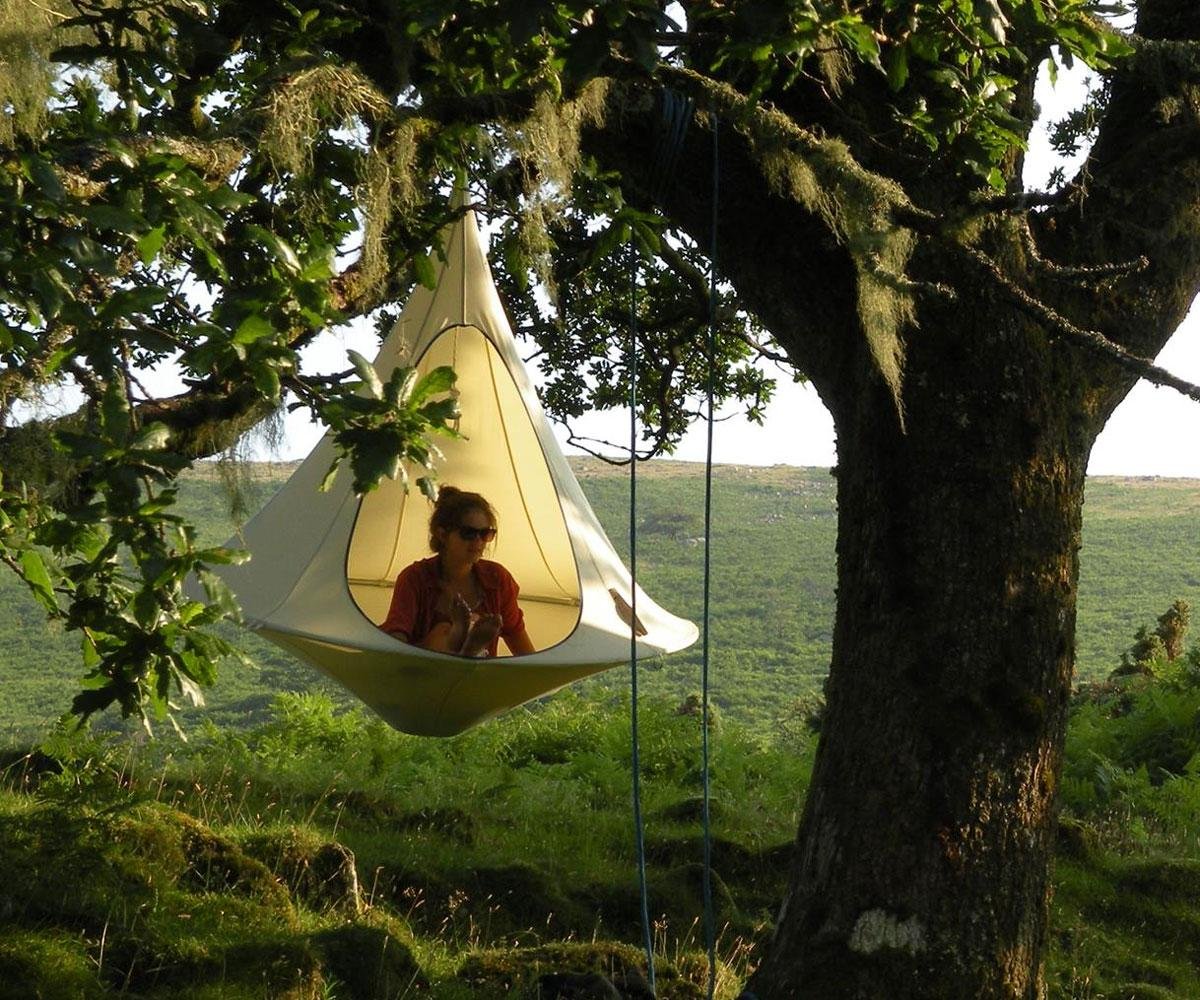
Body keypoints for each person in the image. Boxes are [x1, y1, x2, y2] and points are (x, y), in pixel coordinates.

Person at [381, 487, 536, 657]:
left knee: (472, 622)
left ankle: (466, 640)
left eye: (485, 533)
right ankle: (463, 643)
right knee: (442, 631)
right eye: (468, 533)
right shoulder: (415, 578)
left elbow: (523, 649)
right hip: (423, 672)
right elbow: (396, 638)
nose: (478, 541)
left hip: (475, 679)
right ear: (442, 534)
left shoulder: (497, 579)